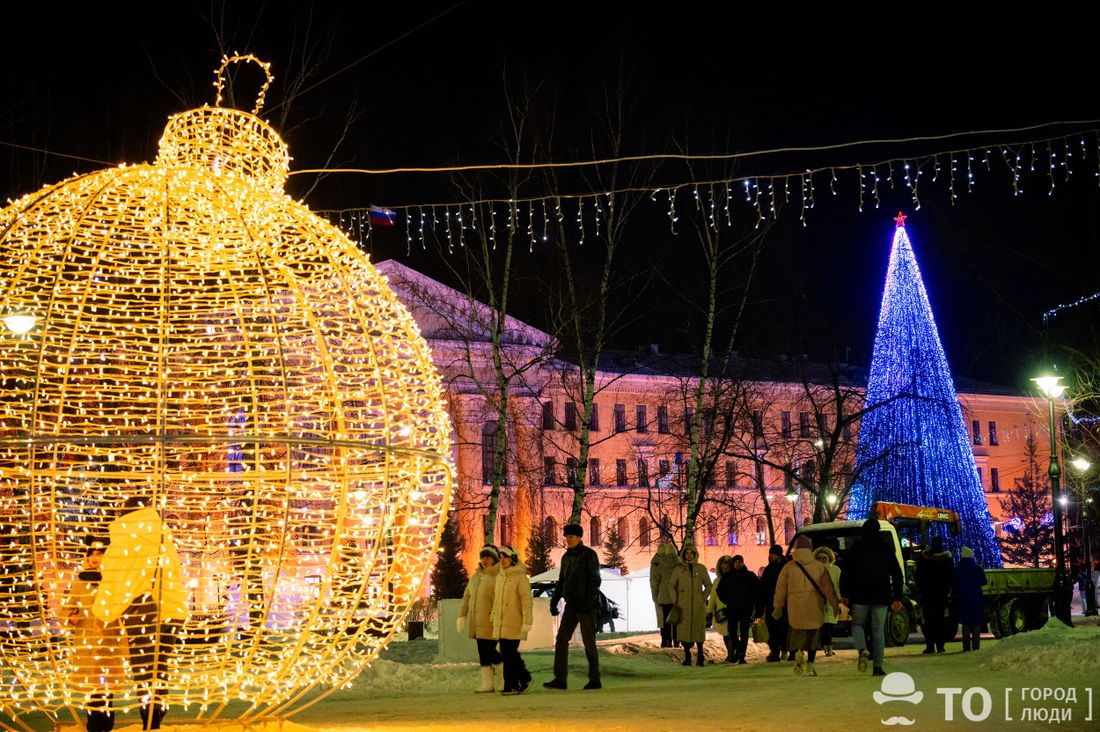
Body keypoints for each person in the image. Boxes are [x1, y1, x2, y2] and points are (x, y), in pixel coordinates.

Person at [94, 495, 189, 730]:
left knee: (144, 670)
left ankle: (151, 721)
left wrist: (103, 610)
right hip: (173, 608)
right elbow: (175, 571)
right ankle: (157, 713)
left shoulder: (126, 537)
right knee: (160, 667)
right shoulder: (161, 535)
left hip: (145, 610)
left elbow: (115, 577)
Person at [63, 537, 128, 732]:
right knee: (93, 693)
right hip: (87, 642)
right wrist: (70, 617)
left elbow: (122, 607)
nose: (94, 558)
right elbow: (67, 609)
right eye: (91, 554)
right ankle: (93, 727)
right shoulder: (79, 582)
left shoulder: (113, 581)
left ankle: (106, 727)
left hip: (109, 641)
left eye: (99, 554)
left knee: (107, 693)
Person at [839, 518, 905, 677]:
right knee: (878, 630)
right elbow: (897, 573)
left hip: (860, 594)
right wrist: (897, 597)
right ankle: (878, 667)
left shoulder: (855, 549)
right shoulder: (885, 549)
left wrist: (845, 593)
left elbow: (846, 573)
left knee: (857, 625)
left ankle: (862, 649)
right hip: (881, 595)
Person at [544, 523, 602, 690]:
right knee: (561, 639)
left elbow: (595, 580)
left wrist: (590, 600)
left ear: (579, 537)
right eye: (566, 536)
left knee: (589, 642)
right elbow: (562, 581)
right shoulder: (566, 557)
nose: (567, 539)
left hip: (586, 606)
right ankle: (560, 678)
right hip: (572, 605)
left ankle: (594, 678)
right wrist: (554, 601)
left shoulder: (589, 555)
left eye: (570, 536)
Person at [773, 535, 840, 677]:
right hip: (814, 606)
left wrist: (778, 606)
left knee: (797, 633)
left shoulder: (788, 567)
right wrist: (834, 604)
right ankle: (810, 664)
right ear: (810, 549)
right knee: (813, 637)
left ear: (796, 549)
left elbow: (780, 589)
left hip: (795, 608)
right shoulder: (819, 567)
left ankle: (798, 653)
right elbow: (828, 588)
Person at [458, 544, 503, 692]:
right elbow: (467, 596)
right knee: (483, 652)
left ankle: (504, 678)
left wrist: (497, 615)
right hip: (477, 621)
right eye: (483, 556)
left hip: (491, 620)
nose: (485, 560)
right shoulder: (476, 576)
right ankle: (488, 683)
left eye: (488, 557)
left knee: (490, 651)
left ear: (494, 559)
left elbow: (501, 599)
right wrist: (462, 615)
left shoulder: (499, 575)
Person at [492, 545, 533, 694]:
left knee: (509, 654)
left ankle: (512, 684)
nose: (502, 560)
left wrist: (527, 621)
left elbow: (526, 601)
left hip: (515, 621)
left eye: (505, 557)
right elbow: (497, 600)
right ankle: (523, 678)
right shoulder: (501, 577)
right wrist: (494, 617)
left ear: (513, 558)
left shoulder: (520, 577)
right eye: (500, 557)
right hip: (502, 622)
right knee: (508, 653)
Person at [670, 544, 712, 667]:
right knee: (684, 630)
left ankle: (700, 655)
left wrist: (703, 597)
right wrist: (676, 600)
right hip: (683, 605)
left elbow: (709, 585)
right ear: (683, 554)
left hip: (697, 605)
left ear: (695, 554)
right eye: (686, 553)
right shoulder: (678, 569)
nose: (689, 555)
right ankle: (687, 656)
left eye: (691, 553)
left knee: (698, 630)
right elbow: (671, 585)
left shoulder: (701, 568)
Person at [916, 535, 955, 654]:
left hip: (927, 595)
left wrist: (921, 590)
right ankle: (940, 646)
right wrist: (948, 590)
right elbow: (951, 577)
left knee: (928, 621)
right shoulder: (946, 559)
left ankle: (930, 645)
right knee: (941, 620)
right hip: (941, 595)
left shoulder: (924, 559)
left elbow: (918, 576)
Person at [718, 554, 759, 664]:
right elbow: (720, 590)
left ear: (743, 562)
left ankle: (741, 655)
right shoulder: (728, 576)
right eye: (735, 562)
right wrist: (728, 600)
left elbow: (757, 591)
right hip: (733, 609)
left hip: (746, 609)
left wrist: (755, 605)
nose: (737, 564)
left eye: (739, 561)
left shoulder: (750, 576)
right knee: (732, 631)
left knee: (744, 632)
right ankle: (739, 649)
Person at [759, 544, 790, 662]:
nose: (769, 556)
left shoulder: (785, 567)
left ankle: (784, 650)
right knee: (773, 627)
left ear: (777, 555)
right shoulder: (770, 568)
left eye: (771, 554)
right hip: (771, 603)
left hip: (783, 603)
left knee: (783, 627)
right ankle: (776, 651)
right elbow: (763, 586)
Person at [953, 546, 986, 651]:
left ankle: (966, 646)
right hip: (976, 599)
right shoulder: (977, 569)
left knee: (966, 623)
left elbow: (955, 584)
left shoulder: (958, 569)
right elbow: (984, 582)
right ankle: (976, 645)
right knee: (976, 623)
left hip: (963, 599)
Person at [649, 542, 681, 648]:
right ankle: (676, 640)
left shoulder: (659, 565)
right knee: (676, 618)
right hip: (677, 596)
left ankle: (665, 641)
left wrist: (655, 596)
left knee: (665, 620)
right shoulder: (679, 563)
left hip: (663, 596)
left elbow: (655, 582)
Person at [813, 546, 842, 656]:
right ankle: (826, 646)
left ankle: (828, 646)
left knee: (830, 625)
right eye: (819, 557)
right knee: (822, 625)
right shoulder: (813, 570)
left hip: (832, 601)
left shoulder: (835, 570)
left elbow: (839, 585)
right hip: (818, 601)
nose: (822, 559)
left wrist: (839, 597)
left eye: (824, 557)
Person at [707, 555, 735, 662]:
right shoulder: (717, 581)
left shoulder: (735, 580)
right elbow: (713, 596)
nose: (725, 570)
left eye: (727, 568)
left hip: (733, 609)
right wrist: (710, 609)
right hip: (721, 611)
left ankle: (732, 654)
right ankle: (730, 653)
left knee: (732, 633)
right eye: (723, 568)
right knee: (725, 634)